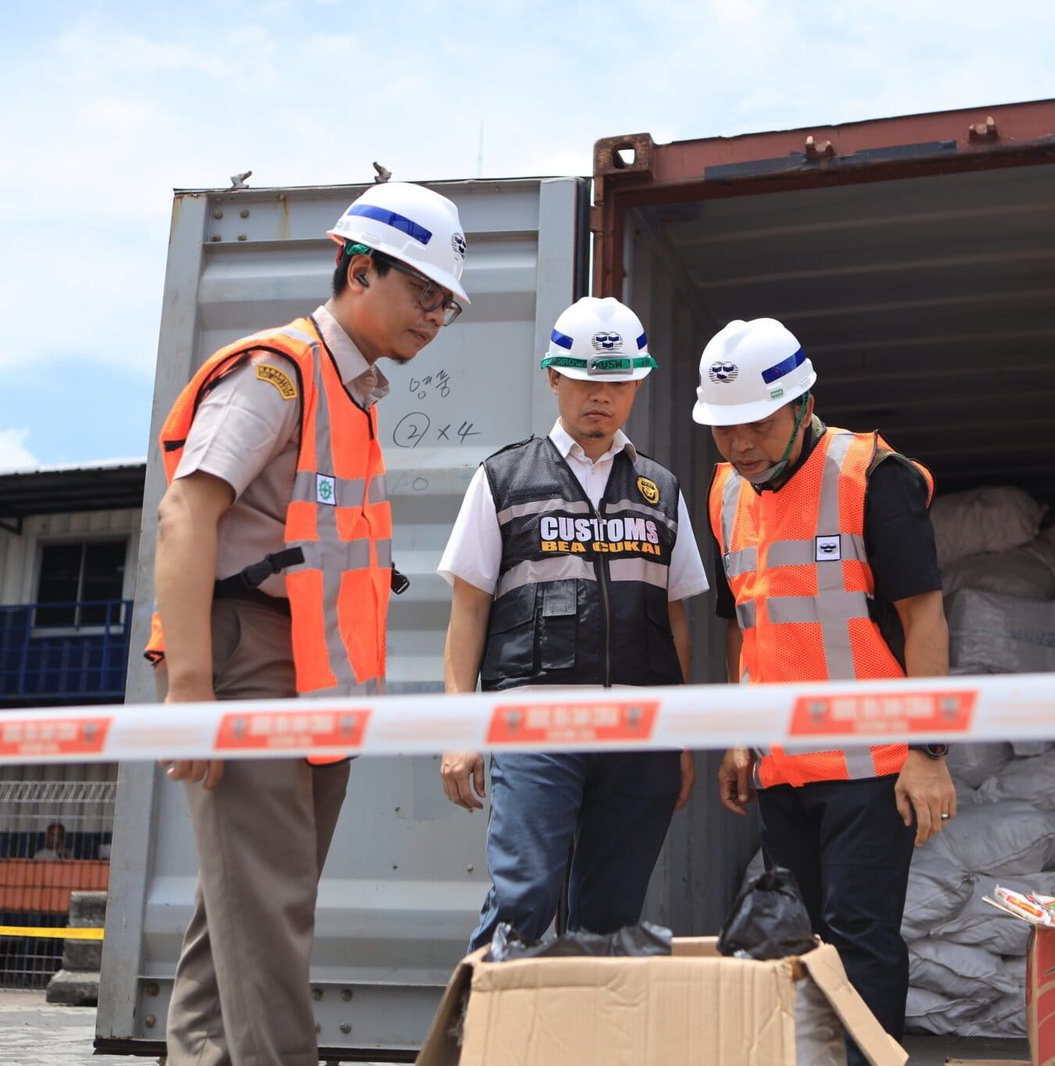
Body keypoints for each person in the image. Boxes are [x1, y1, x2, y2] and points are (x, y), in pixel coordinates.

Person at [147, 181, 470, 1066]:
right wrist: (190, 693)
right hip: (246, 659)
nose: (437, 316)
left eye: (447, 301)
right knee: (269, 908)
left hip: (310, 679)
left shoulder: (352, 392)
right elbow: (186, 514)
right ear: (360, 272)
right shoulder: (278, 372)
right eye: (424, 293)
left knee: (243, 915)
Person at [692, 318, 957, 1054]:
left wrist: (928, 750)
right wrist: (741, 734)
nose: (740, 445)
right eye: (724, 430)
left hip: (872, 767)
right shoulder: (724, 495)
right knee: (797, 941)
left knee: (861, 935)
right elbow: (743, 622)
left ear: (802, 405)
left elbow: (925, 619)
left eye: (756, 425)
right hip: (783, 766)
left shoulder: (873, 478)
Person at [437, 296, 707, 949]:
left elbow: (673, 623)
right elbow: (468, 613)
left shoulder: (661, 491)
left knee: (611, 915)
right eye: (585, 378)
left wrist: (680, 737)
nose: (600, 396)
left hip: (639, 734)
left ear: (638, 383)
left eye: (616, 381)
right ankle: (481, 1041)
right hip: (536, 727)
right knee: (523, 897)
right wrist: (460, 729)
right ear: (553, 376)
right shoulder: (502, 480)